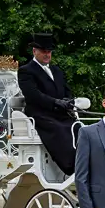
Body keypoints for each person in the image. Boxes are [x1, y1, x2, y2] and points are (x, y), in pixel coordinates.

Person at [17, 32, 78, 175]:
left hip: (60, 113)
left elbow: (67, 91)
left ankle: (82, 161)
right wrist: (55, 102)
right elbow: (34, 96)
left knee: (78, 128)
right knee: (60, 130)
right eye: (44, 51)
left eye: (49, 51)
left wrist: (68, 101)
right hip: (41, 114)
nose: (47, 54)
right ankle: (70, 166)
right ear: (34, 51)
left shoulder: (57, 71)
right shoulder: (26, 71)